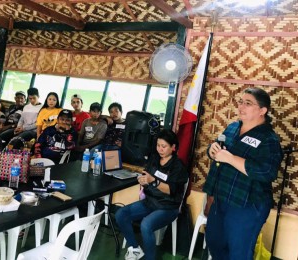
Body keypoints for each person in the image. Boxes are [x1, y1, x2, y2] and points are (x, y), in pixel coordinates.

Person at [203, 87, 283, 260]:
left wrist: (231, 159)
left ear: (263, 110)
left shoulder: (269, 139)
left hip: (247, 205)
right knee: (214, 242)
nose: (241, 106)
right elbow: (217, 150)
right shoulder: (232, 127)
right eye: (241, 102)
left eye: (248, 103)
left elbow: (267, 172)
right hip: (221, 197)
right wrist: (212, 150)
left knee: (239, 252)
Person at [115, 129, 188, 260]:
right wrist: (143, 180)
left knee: (146, 224)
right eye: (158, 145)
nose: (160, 149)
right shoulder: (154, 159)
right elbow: (146, 176)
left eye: (164, 146)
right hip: (150, 201)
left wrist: (153, 181)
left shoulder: (178, 166)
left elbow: (171, 190)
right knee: (121, 214)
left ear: (173, 147)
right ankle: (135, 248)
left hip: (168, 206)